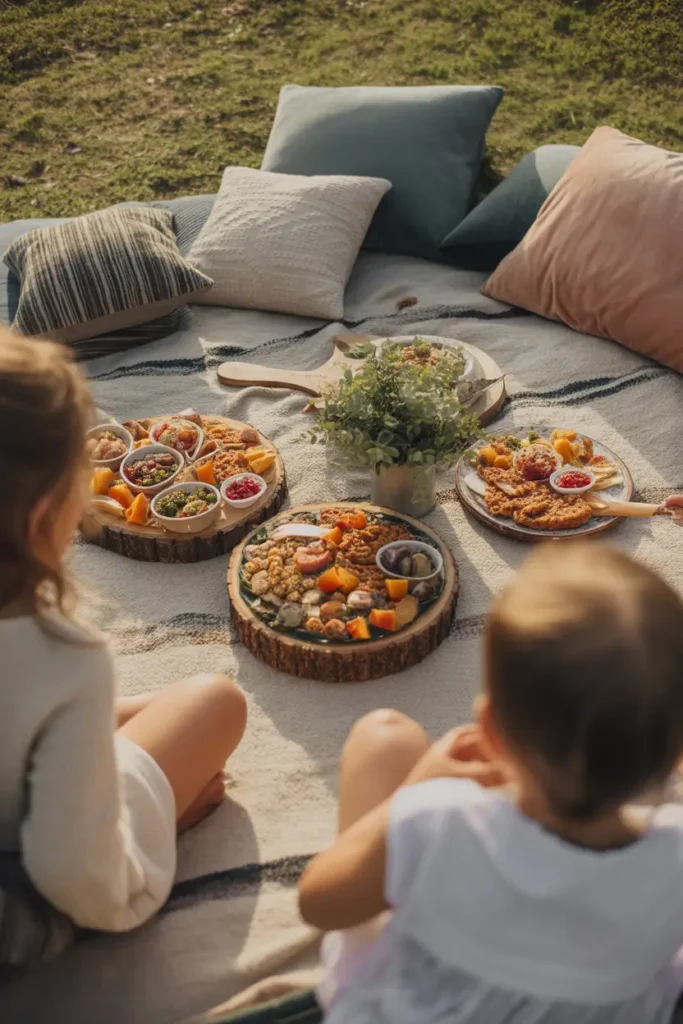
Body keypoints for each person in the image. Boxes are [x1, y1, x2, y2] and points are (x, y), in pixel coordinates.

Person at [300, 543, 683, 1023]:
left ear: (491, 731)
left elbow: (320, 904)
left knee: (383, 738)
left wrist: (413, 790)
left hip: (421, 1006)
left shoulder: (437, 818)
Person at [0, 332, 247, 965]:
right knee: (215, 699)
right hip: (22, 902)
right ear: (38, 522)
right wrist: (153, 831)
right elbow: (77, 876)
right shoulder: (62, 658)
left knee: (154, 706)